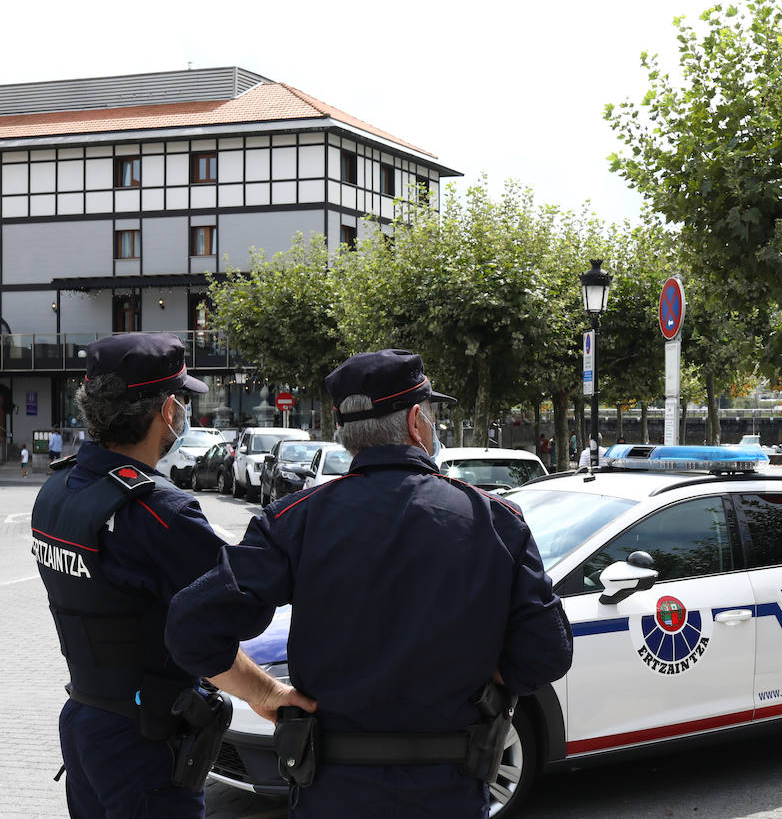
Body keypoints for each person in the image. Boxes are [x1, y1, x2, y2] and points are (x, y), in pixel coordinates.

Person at [166, 348, 574, 817]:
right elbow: (548, 652)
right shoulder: (494, 520)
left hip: (332, 792)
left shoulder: (297, 520)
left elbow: (191, 627)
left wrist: (264, 693)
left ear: (345, 433)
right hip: (448, 791)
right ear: (417, 421)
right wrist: (486, 679)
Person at [30, 332, 306, 818]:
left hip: (85, 721)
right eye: (181, 399)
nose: (184, 411)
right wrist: (267, 691)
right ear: (166, 410)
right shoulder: (158, 511)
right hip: (144, 743)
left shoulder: (59, 489)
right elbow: (218, 622)